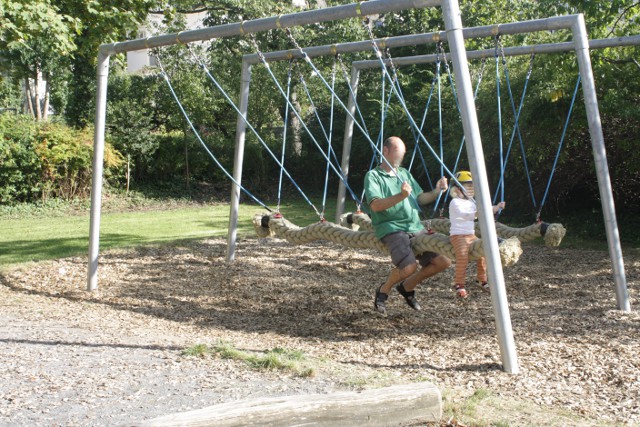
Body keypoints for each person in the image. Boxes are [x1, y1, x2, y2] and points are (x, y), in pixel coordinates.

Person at [364, 136, 451, 315]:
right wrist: (401, 196)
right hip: (391, 227)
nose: (401, 157)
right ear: (385, 151)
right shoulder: (373, 176)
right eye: (398, 152)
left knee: (443, 261)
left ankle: (407, 287)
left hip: (414, 226)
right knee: (408, 267)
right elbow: (376, 206)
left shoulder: (404, 173)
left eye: (403, 153)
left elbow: (420, 198)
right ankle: (383, 290)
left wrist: (437, 191)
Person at [449, 170, 505, 299]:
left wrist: (497, 207)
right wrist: (479, 213)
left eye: (472, 187)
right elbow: (465, 215)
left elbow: (486, 209)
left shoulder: (471, 202)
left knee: (482, 253)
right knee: (463, 256)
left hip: (470, 235)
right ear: (457, 189)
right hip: (458, 235)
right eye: (467, 186)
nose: (470, 190)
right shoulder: (455, 202)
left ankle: (481, 279)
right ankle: (459, 284)